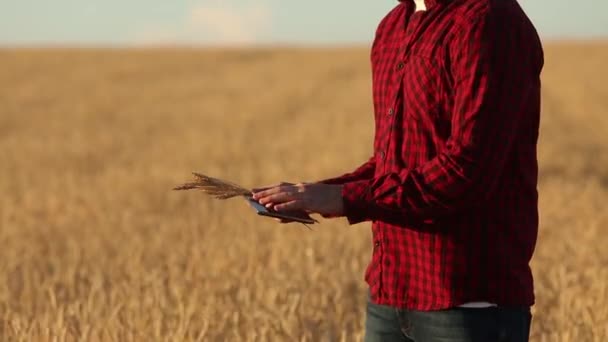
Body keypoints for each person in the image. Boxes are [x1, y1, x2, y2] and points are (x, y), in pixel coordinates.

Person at [252, 0, 543, 340]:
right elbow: (394, 163)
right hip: (390, 295)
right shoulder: (392, 26)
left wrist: (342, 198)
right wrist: (315, 195)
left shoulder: (488, 20)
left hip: (468, 305)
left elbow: (466, 171)